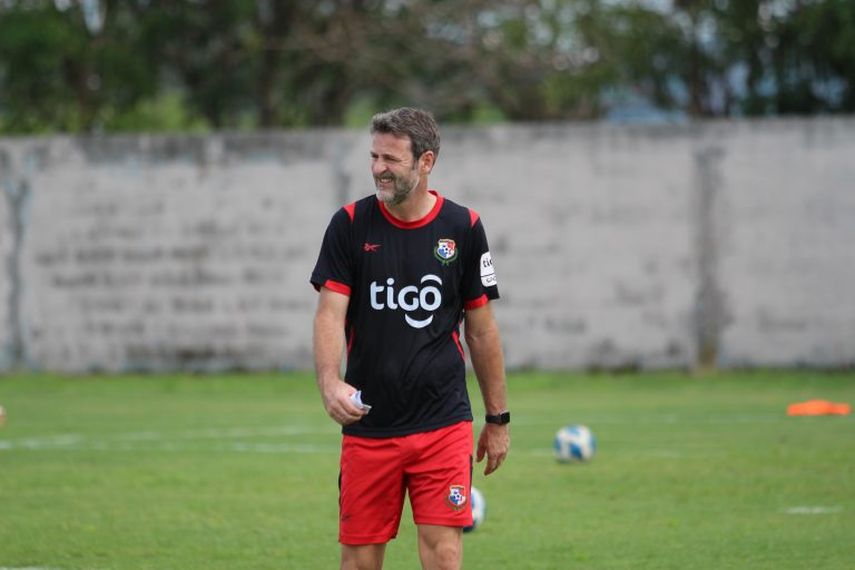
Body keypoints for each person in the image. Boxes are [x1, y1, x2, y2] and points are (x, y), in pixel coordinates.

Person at [311, 107, 510, 570]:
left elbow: (481, 332)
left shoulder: (463, 228)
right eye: (374, 156)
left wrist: (497, 418)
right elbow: (329, 314)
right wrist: (329, 381)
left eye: (391, 159)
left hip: (443, 421)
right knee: (359, 561)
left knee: (443, 556)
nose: (378, 168)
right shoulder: (350, 224)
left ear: (426, 162)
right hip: (369, 423)